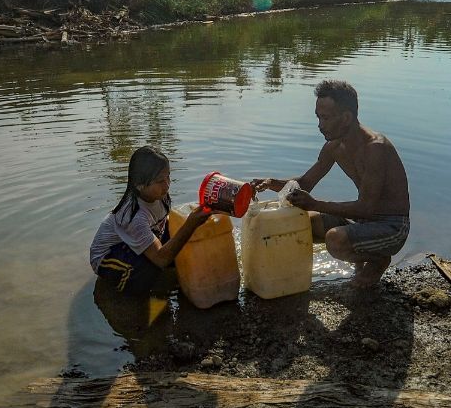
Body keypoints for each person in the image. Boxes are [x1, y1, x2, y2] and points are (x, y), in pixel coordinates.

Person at [252, 80, 410, 288]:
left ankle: (378, 259)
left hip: (391, 226)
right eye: (318, 117)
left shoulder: (375, 149)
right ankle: (361, 256)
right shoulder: (333, 147)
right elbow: (306, 183)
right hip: (364, 221)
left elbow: (365, 207)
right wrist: (272, 183)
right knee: (304, 222)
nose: (320, 125)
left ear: (346, 118)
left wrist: (315, 204)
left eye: (325, 118)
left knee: (335, 239)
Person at [89, 145, 213, 294]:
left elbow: (166, 221)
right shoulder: (134, 217)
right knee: (148, 269)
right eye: (160, 181)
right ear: (139, 185)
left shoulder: (160, 195)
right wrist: (190, 224)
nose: (167, 185)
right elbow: (161, 259)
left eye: (168, 176)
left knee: (184, 241)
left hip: (141, 236)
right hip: (108, 256)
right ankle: (128, 296)